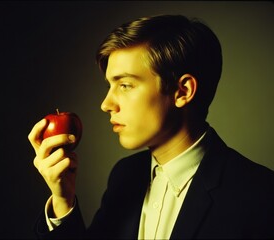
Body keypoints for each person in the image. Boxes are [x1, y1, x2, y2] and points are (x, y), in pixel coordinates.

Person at [28, 14, 274, 239]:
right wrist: (63, 199)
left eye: (125, 85)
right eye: (109, 86)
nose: (105, 104)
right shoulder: (124, 177)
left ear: (182, 91)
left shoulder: (260, 195)